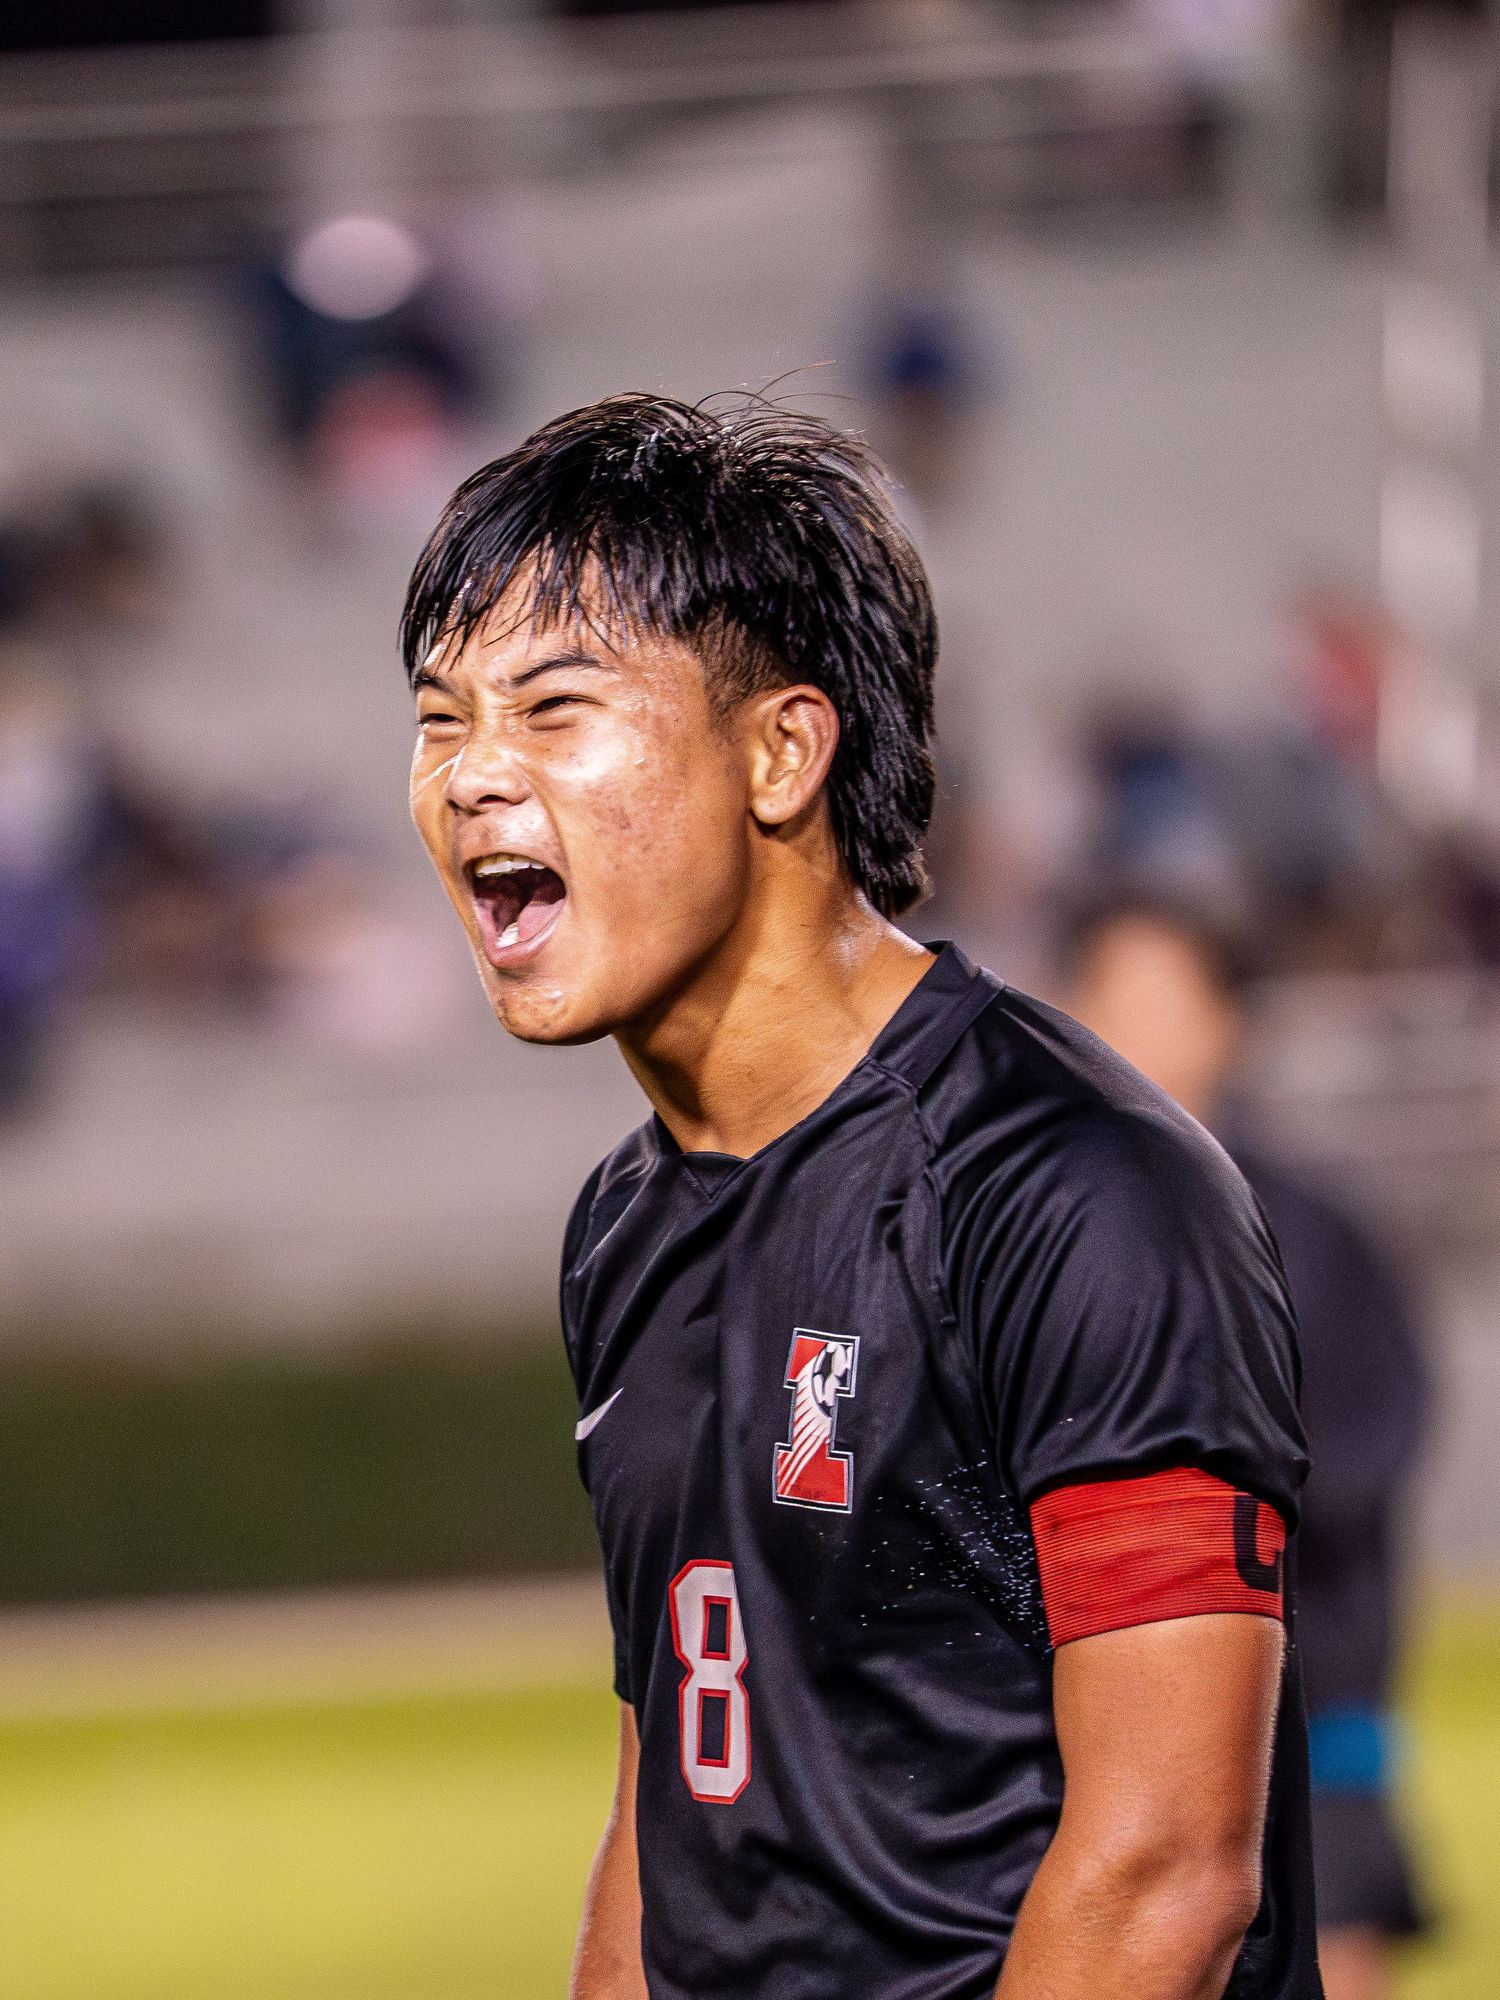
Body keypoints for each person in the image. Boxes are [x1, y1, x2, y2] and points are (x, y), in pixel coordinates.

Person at [401, 393, 1321, 2000]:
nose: (476, 777)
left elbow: (1165, 1871)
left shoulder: (1071, 1188)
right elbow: (673, 1806)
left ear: (781, 751)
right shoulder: (623, 1228)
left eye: (553, 711)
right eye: (439, 720)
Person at [1057, 887, 1430, 2000]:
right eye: (1113, 999)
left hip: (1311, 1698)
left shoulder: (1315, 1227)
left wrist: (1173, 1524)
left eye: (1167, 999)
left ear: (1231, 1021)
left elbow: (1367, 1448)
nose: (1139, 1030)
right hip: (1098, 1729)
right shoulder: (1018, 1228)